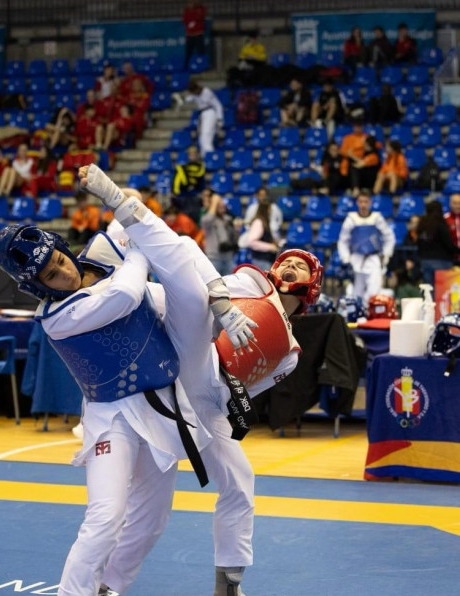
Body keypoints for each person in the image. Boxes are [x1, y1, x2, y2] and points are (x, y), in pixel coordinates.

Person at [78, 163, 322, 596]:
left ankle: (216, 583)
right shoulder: (252, 279)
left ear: (311, 288)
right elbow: (193, 259)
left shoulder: (290, 356)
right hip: (191, 335)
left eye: (299, 269)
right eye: (287, 262)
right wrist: (225, 306)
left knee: (228, 486)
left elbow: (247, 392)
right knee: (184, 270)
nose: (289, 267)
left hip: (202, 396)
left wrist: (231, 407)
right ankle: (116, 219)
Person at [0, 223, 213, 596]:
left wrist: (128, 212)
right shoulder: (58, 317)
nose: (64, 272)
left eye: (61, 260)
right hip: (112, 419)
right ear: (37, 286)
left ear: (66, 248)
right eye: (51, 275)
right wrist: (140, 249)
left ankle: (109, 588)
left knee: (152, 520)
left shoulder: (103, 254)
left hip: (161, 409)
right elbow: (126, 295)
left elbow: (130, 217)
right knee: (105, 515)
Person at [337, 190, 395, 300]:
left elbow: (389, 237)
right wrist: (346, 258)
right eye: (361, 201)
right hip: (356, 258)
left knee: (374, 290)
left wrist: (387, 254)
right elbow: (343, 241)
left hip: (373, 258)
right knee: (356, 292)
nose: (363, 204)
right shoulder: (351, 219)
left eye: (366, 201)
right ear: (357, 203)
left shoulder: (377, 218)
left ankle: (372, 313)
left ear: (370, 203)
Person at [175, 80, 223, 157]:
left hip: (210, 112)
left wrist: (219, 118)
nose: (194, 93)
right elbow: (186, 99)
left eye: (195, 91)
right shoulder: (194, 95)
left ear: (197, 88)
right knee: (201, 139)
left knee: (206, 137)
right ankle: (205, 158)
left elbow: (217, 105)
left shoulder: (207, 92)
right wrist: (180, 98)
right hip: (202, 115)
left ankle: (211, 157)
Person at [416, 200, 457, 286]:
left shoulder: (422, 224)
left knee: (428, 289)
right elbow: (448, 243)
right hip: (442, 261)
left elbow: (419, 243)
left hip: (425, 261)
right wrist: (459, 251)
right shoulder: (440, 224)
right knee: (442, 289)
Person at [240, 189, 280, 271]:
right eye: (269, 208)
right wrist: (270, 247)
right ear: (265, 209)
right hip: (261, 261)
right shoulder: (258, 222)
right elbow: (251, 242)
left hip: (266, 260)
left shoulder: (265, 221)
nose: (271, 210)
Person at [201, 191, 239, 276]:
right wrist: (214, 202)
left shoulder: (228, 219)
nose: (222, 206)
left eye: (223, 205)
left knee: (232, 285)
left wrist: (236, 230)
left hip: (228, 258)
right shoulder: (207, 219)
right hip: (214, 259)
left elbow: (234, 239)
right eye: (219, 205)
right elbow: (209, 217)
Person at [183, 1, 208, 67]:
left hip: (198, 34)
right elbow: (185, 20)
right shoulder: (187, 10)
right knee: (188, 52)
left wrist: (194, 21)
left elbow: (200, 17)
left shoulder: (200, 9)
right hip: (190, 34)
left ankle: (203, 65)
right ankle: (186, 65)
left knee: (201, 50)